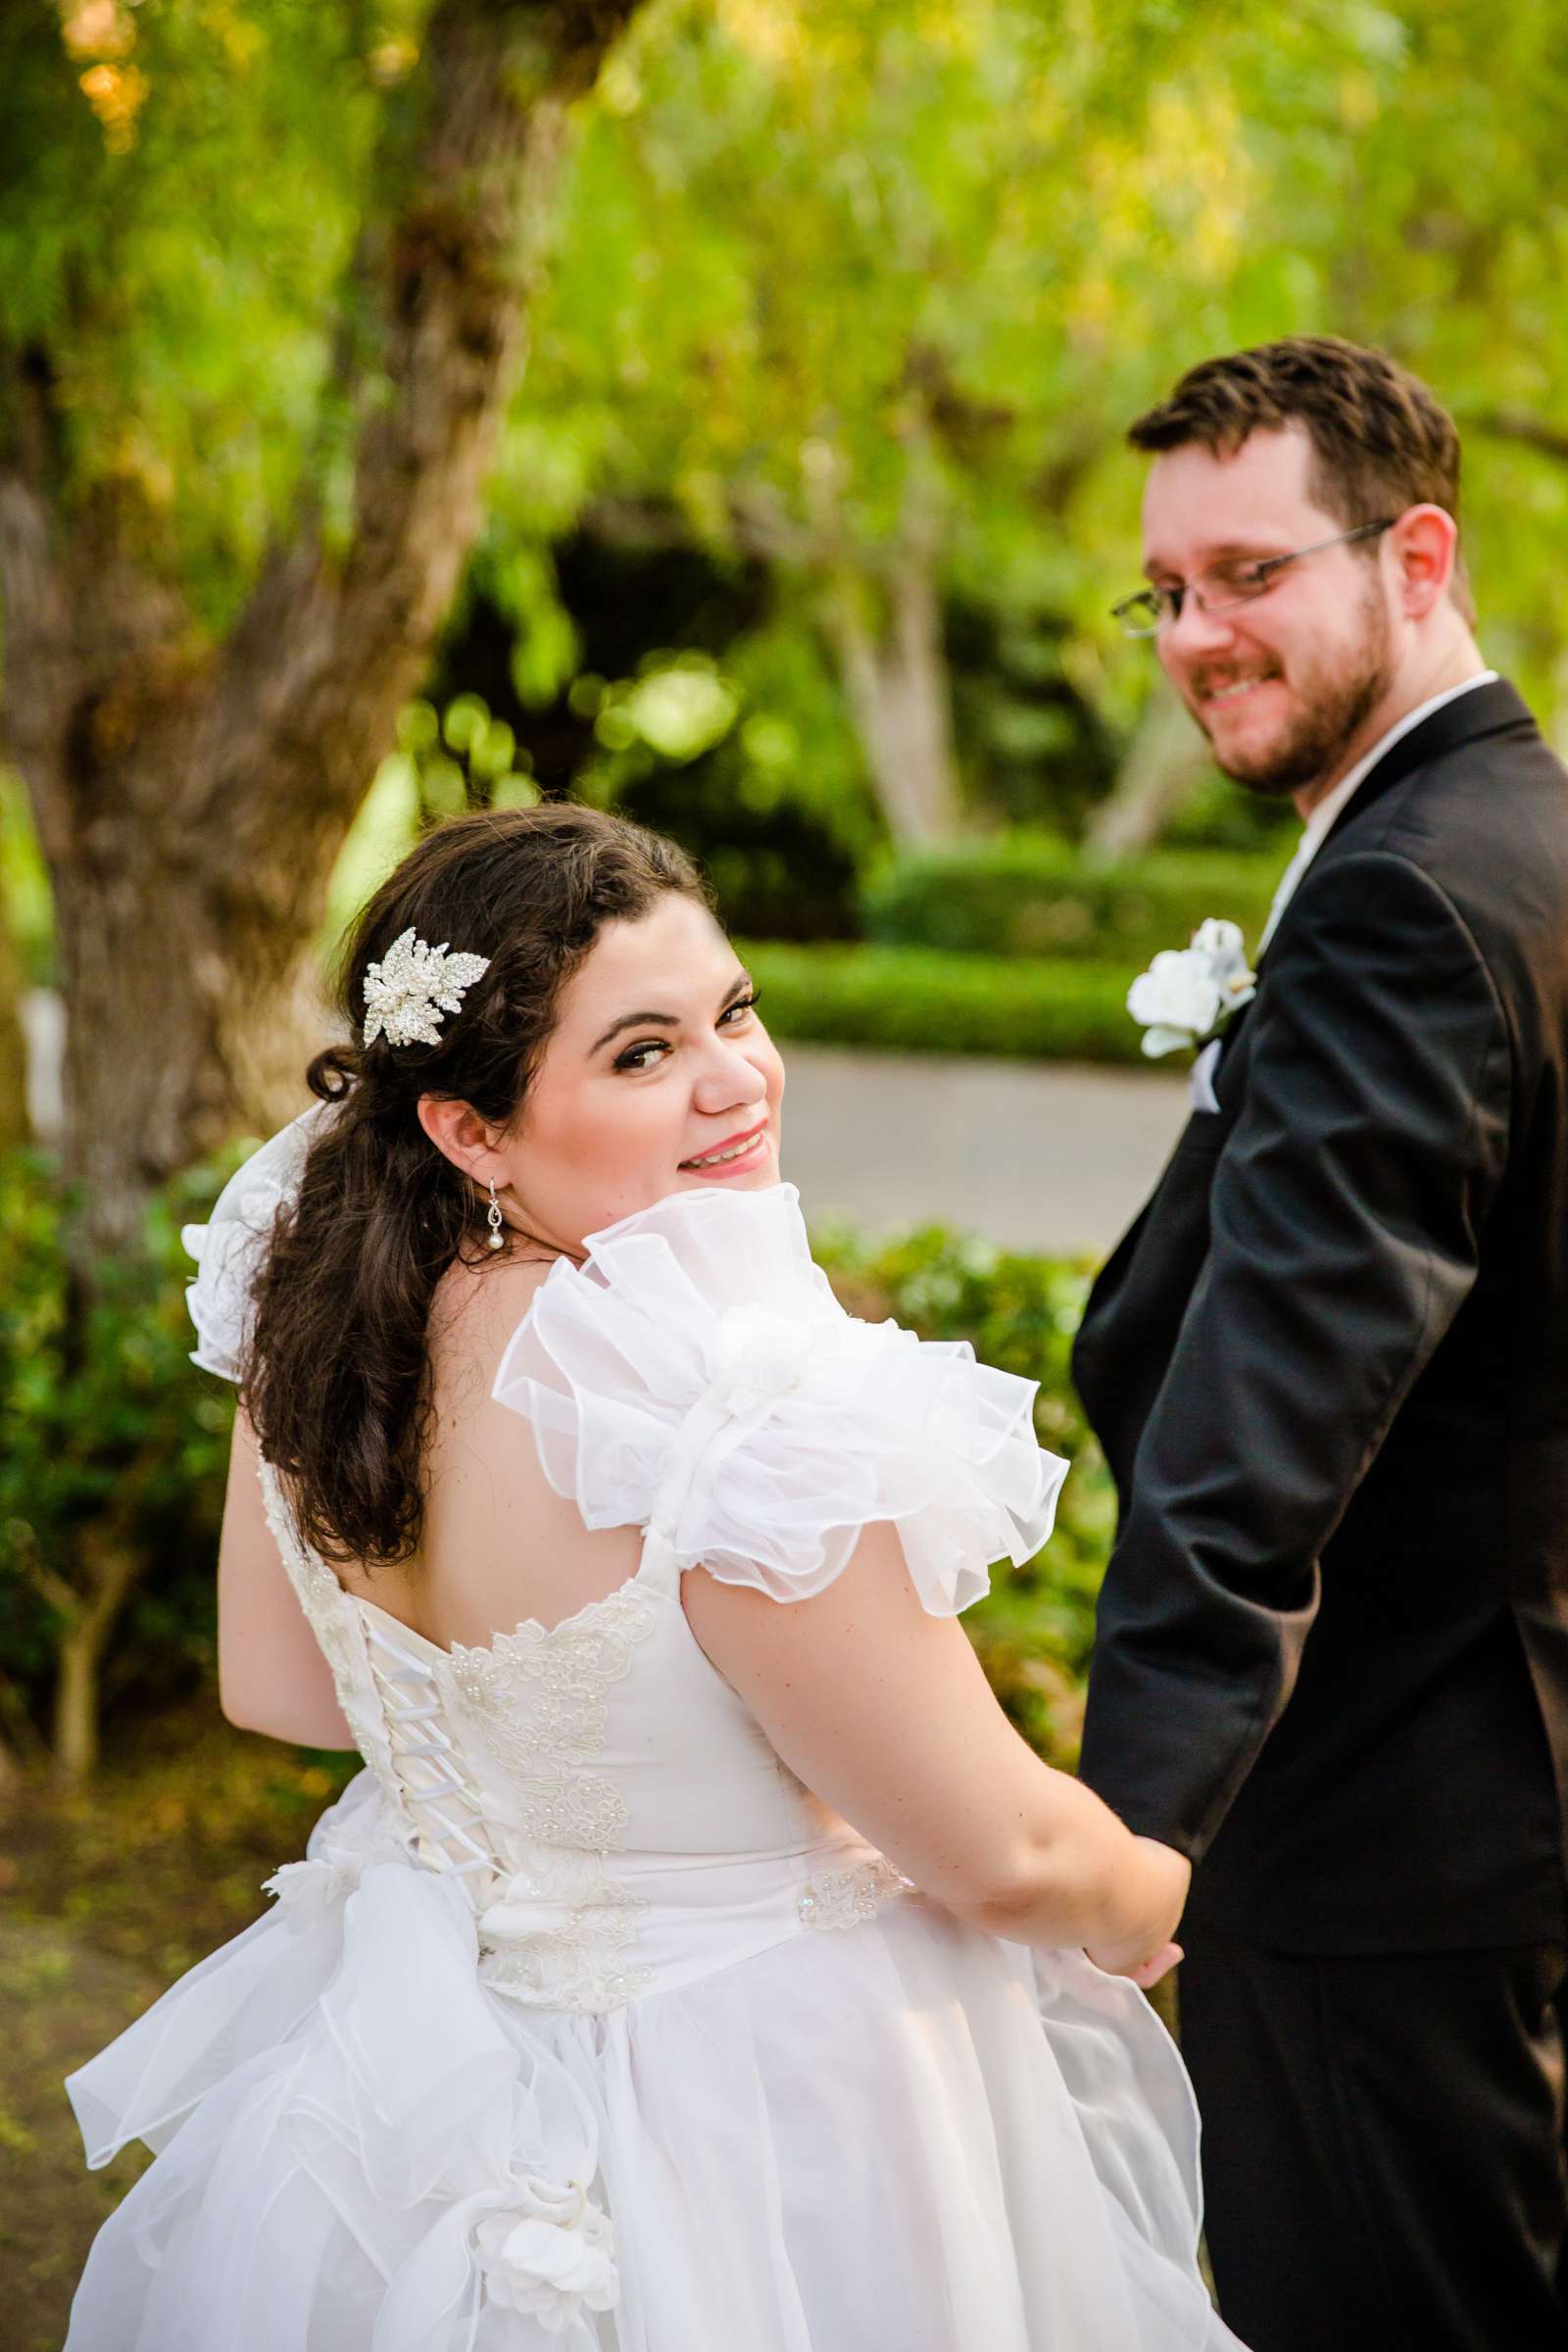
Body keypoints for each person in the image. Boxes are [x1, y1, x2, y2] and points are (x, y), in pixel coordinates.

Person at [63, 803, 1239, 2351]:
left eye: (735, 1011)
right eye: (641, 1053)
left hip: (431, 2084)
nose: (736, 1080)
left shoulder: (318, 1302)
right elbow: (1007, 1855)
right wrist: (1151, 1889)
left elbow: (280, 1690)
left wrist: (566, 1784)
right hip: (774, 2104)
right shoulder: (713, 1377)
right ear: (469, 1130)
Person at [1073, 335, 1568, 2351]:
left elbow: (1267, 1417)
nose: (1195, 635)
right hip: (1500, 1771)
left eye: (1250, 574)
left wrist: (1119, 1848)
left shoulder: (1403, 897)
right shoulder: (1516, 833)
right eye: (1164, 593)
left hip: (1376, 1827)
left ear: (1414, 554)